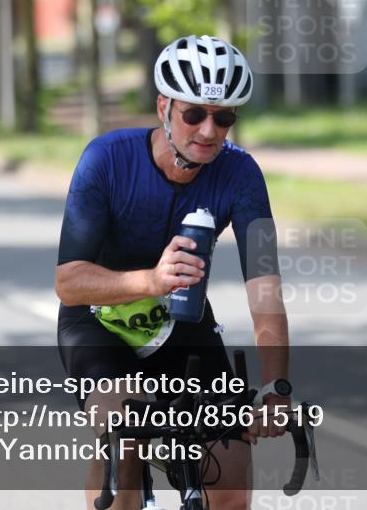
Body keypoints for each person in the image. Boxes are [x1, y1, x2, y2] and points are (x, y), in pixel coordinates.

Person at [55, 35, 288, 510]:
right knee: (124, 440)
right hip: (100, 322)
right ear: (164, 106)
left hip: (181, 323)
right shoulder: (106, 159)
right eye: (194, 114)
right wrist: (151, 281)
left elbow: (265, 292)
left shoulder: (241, 175)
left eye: (224, 117)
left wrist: (277, 388)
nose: (208, 130)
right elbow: (69, 282)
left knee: (232, 474)